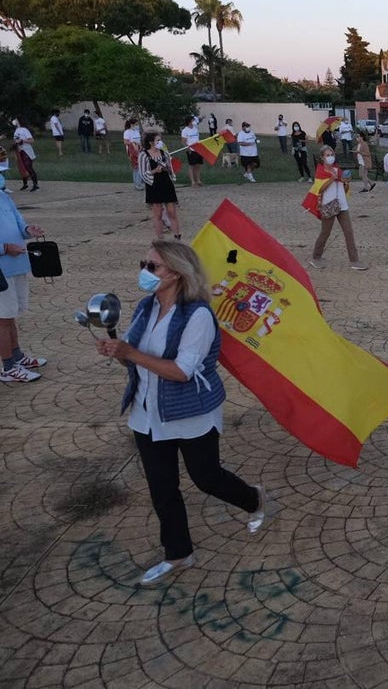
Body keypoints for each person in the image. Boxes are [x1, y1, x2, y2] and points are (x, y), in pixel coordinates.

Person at [97, 240, 267, 585]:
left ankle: (254, 499)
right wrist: (115, 350)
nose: (144, 272)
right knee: (162, 486)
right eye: (143, 263)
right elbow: (132, 354)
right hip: (147, 411)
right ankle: (178, 553)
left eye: (152, 266)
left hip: (190, 412)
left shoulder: (198, 315)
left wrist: (129, 352)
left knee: (206, 477)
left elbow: (182, 371)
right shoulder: (146, 307)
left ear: (175, 273)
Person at [0, 190, 47, 382]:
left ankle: (17, 356)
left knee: (10, 316)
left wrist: (28, 229)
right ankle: (8, 367)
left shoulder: (3, 196)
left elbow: (19, 222)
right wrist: (4, 248)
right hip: (2, 271)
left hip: (17, 264)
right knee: (2, 319)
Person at [309, 146, 367, 270]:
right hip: (328, 205)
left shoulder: (337, 169)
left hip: (341, 204)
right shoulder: (320, 170)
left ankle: (354, 260)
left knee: (349, 232)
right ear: (322, 157)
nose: (330, 157)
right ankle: (316, 257)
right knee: (325, 232)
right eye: (327, 155)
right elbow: (319, 188)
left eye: (332, 154)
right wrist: (332, 178)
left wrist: (346, 182)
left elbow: (344, 188)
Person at [139, 132, 181, 240]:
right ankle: (160, 238)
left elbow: (171, 170)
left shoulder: (164, 153)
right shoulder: (144, 155)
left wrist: (166, 168)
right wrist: (154, 171)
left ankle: (177, 236)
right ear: (151, 142)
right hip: (154, 185)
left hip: (166, 183)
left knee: (172, 212)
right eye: (158, 140)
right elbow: (143, 173)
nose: (160, 142)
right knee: (158, 214)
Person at [11, 118, 39, 192]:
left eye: (16, 119)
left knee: (28, 167)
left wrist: (23, 141)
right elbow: (15, 140)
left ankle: (35, 185)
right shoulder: (16, 130)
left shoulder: (24, 130)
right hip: (19, 151)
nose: (15, 121)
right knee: (22, 168)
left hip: (26, 151)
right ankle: (25, 184)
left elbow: (32, 140)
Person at [180, 117, 204, 188]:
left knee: (198, 165)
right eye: (193, 120)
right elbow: (183, 141)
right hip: (191, 150)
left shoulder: (195, 129)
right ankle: (193, 182)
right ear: (189, 122)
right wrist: (188, 149)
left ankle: (198, 180)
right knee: (192, 166)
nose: (194, 121)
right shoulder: (185, 131)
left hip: (198, 149)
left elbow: (197, 139)